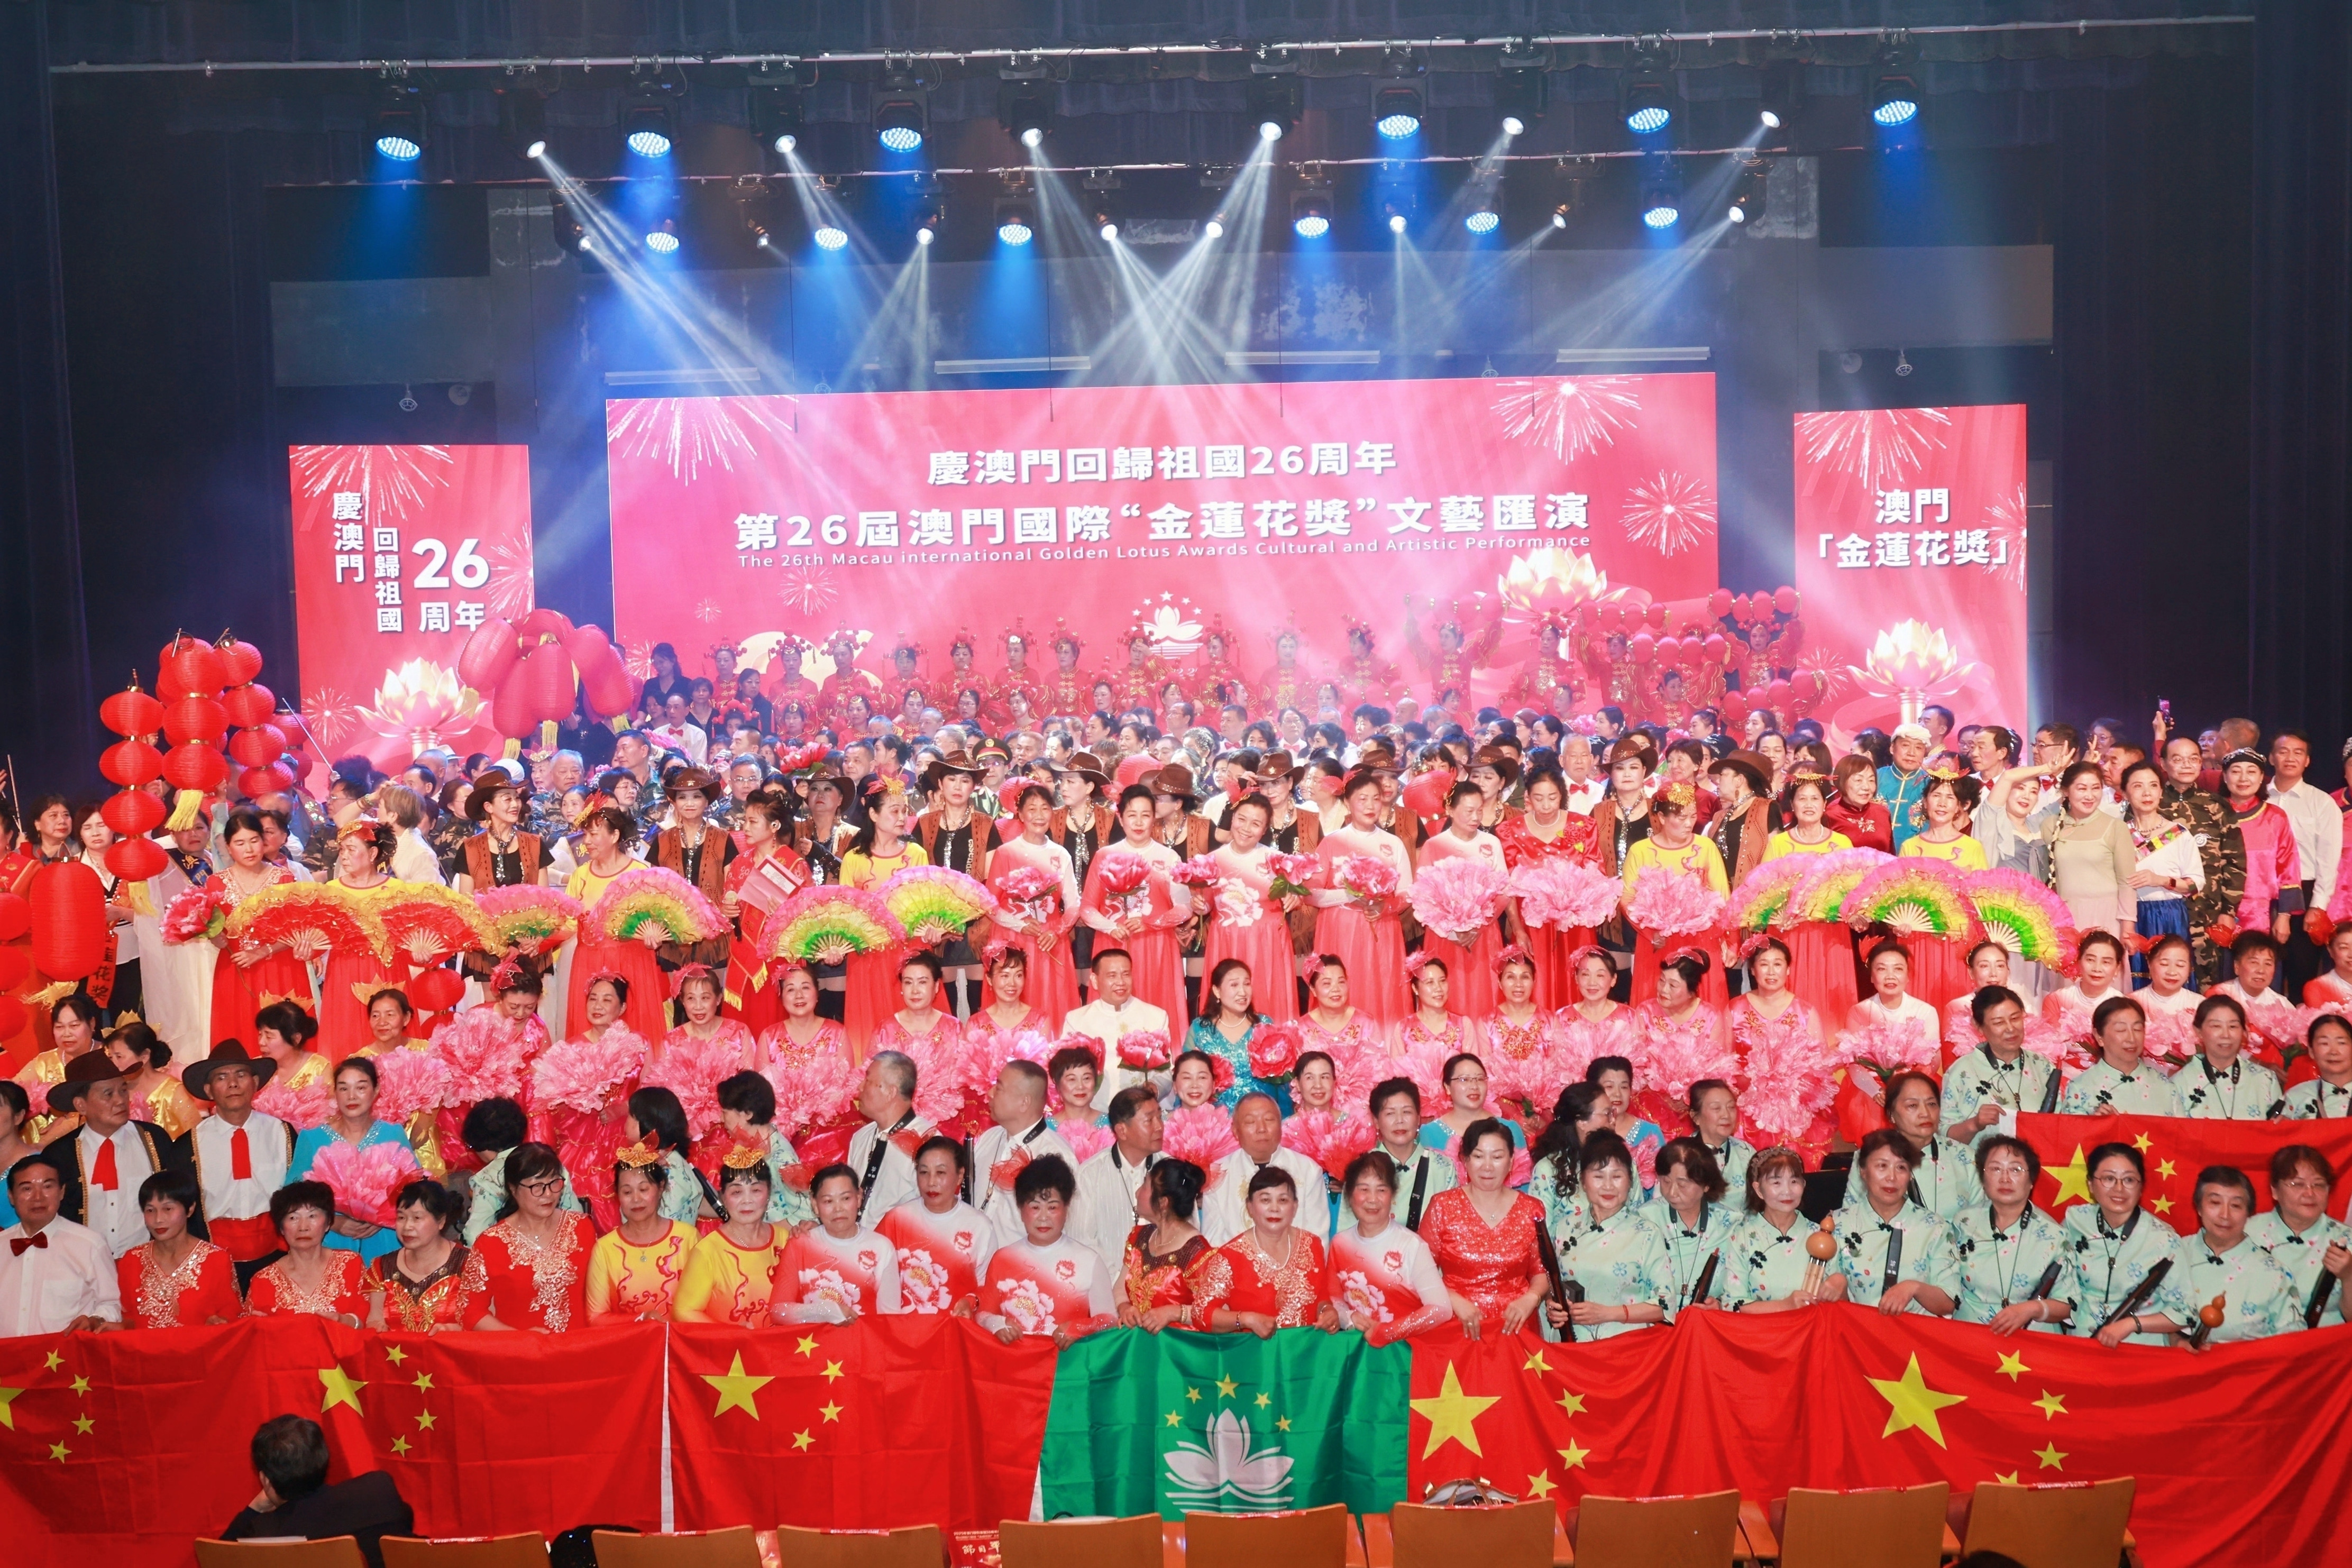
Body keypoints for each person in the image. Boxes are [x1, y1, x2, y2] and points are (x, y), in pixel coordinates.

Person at [48, 1049, 192, 1259]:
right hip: (83, 1266)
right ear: (81, 1105)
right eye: (108, 1094)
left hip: (146, 1264)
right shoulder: (60, 1155)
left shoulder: (154, 1139)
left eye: (123, 1091)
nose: (120, 1101)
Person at [218, 1416, 414, 1568]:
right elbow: (404, 1520)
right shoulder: (378, 1489)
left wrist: (255, 1508)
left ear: (266, 1480)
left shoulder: (265, 1534)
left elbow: (217, 1559)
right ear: (324, 1458)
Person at [1420, 1117, 1550, 1339]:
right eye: (1478, 1156)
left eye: (1497, 1157)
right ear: (1465, 1160)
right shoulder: (1442, 1206)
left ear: (1511, 1161)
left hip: (1516, 1327)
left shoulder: (1532, 1209)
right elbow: (1420, 1271)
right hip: (1457, 1325)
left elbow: (1542, 1270)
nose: (1487, 1167)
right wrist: (1452, 1300)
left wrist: (1532, 1298)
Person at [180, 1041, 296, 1282]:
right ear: (209, 1091)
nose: (233, 1084)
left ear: (255, 1083)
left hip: (278, 1258)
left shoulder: (282, 1133)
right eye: (222, 1077)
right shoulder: (189, 1144)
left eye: (241, 1075)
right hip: (212, 1262)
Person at [1310, 770, 1414, 1027]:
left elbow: (1407, 892)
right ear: (1347, 802)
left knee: (1382, 989)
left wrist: (1385, 906)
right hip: (1340, 931)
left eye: (1376, 799)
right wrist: (1348, 895)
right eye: (1362, 799)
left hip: (1382, 928)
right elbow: (1310, 893)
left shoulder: (1393, 843)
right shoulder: (1332, 842)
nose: (1371, 806)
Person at [289, 1055, 416, 1266]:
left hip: (386, 1240)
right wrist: (334, 1222)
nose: (351, 1096)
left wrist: (387, 1217)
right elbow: (292, 1197)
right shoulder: (311, 1138)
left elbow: (414, 1188)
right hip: (330, 1242)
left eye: (361, 1088)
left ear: (376, 1091)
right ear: (335, 1093)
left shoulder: (393, 1133)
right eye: (344, 1088)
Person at [975, 1154, 1118, 1343]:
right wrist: (996, 1323)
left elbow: (1110, 1320)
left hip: (1066, 1360)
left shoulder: (1090, 1261)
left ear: (1066, 1209)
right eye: (1035, 1208)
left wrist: (1081, 1328)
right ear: (1021, 1210)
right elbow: (982, 1314)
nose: (1044, 1217)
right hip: (1012, 1359)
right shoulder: (1003, 1259)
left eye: (1052, 1208)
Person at [207, 806, 316, 1048]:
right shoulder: (215, 883)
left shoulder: (284, 879)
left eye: (254, 840)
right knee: (239, 1034)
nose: (249, 849)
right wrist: (214, 937)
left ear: (264, 841)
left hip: (280, 966)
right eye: (240, 843)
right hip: (236, 968)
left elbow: (297, 930)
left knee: (283, 1034)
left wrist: (262, 951)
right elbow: (210, 925)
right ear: (228, 847)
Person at [458, 1141, 597, 1331]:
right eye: (537, 1186)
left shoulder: (581, 1227)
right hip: (521, 1347)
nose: (548, 1194)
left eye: (554, 1183)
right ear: (513, 1189)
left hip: (579, 1344)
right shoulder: (490, 1243)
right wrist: (521, 1338)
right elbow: (469, 1311)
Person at [1554, 1129, 1677, 1339]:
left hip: (1625, 1347)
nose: (1608, 1186)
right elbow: (1553, 1287)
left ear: (1630, 1181)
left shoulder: (1646, 1233)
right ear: (1583, 1181)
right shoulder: (1565, 1227)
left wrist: (1608, 1314)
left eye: (1617, 1176)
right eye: (1598, 1176)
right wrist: (1554, 1308)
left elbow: (1665, 1306)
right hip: (1571, 1346)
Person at [2063, 1142, 2189, 1346]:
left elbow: (2185, 1312)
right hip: (2081, 1346)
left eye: (2129, 1180)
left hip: (2139, 1349)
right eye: (2109, 1179)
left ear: (2141, 1187)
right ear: (2091, 1185)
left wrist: (2132, 1324)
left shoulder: (2164, 1239)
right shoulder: (2075, 1220)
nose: (2119, 1189)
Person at [565, 805, 671, 1044]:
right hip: (588, 964)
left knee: (636, 1029)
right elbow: (568, 925)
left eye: (594, 834)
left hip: (633, 963)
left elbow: (657, 921)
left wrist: (653, 938)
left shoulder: (641, 873)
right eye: (585, 834)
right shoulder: (580, 876)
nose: (587, 841)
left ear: (614, 836)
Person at [1949, 1135, 2073, 1335]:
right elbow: (1946, 1286)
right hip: (1971, 1336)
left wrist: (2033, 1309)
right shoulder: (1963, 1223)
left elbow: (2069, 1304)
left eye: (2016, 1170)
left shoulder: (2055, 1235)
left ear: (2032, 1180)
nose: (2005, 1178)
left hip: (2032, 1338)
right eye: (1995, 1169)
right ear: (1983, 1180)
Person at [1193, 1166, 1339, 1335]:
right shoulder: (1230, 1256)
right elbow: (1201, 1314)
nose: (1274, 1208)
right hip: (1255, 1350)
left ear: (1295, 1207)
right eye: (1265, 1200)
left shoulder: (1312, 1244)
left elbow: (1321, 1297)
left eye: (1283, 1200)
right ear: (1250, 1207)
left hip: (1305, 1348)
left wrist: (1328, 1311)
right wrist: (1245, 1319)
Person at [1198, 792, 1304, 1025]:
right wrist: (1199, 905)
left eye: (1256, 824)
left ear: (1265, 829)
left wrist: (1295, 897)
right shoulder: (1212, 861)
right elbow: (1206, 906)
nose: (1246, 829)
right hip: (1226, 943)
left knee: (1268, 1002)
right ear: (1232, 818)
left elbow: (1296, 895)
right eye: (1241, 819)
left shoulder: (1277, 861)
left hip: (1267, 945)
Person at [1328, 1151, 1453, 1343]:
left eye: (1381, 1190)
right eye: (1364, 1189)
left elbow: (1441, 1308)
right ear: (1350, 1195)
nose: (1373, 1199)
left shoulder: (1412, 1245)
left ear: (1392, 1195)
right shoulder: (1340, 1244)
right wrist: (1349, 1318)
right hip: (1356, 1350)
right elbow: (1333, 1298)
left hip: (1405, 1350)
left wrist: (1390, 1332)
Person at [1831, 1129, 1960, 1315]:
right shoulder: (1838, 1224)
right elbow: (1829, 1304)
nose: (1892, 1177)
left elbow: (1949, 1302)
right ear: (1863, 1171)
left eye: (1901, 1168)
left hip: (1915, 1332)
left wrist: (1914, 1288)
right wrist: (1839, 1285)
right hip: (1857, 1330)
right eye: (1882, 1166)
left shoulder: (1934, 1228)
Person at [719, 787, 810, 1039]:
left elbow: (808, 921)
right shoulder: (739, 863)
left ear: (775, 826)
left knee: (774, 1030)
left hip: (778, 959)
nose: (745, 827)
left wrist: (785, 915)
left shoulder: (794, 865)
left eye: (753, 822)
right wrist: (727, 911)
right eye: (745, 821)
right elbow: (729, 913)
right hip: (742, 957)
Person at [2177, 1164, 2303, 1342]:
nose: (2225, 1215)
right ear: (2199, 1207)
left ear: (2248, 1214)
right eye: (2215, 1203)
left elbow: (2293, 1342)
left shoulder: (2274, 1273)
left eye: (2236, 1206)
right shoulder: (2175, 1253)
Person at [768, 1163, 904, 1322]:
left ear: (859, 1198)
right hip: (812, 1338)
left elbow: (890, 1319)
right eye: (828, 1201)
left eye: (846, 1198)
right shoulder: (801, 1244)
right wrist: (824, 1312)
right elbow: (778, 1311)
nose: (838, 1209)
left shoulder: (881, 1248)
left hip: (865, 1338)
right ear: (815, 1205)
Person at [0, 1151, 119, 1334]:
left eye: (47, 1187)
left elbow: (111, 1304)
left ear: (62, 1192)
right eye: (27, 1189)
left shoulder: (90, 1244)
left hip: (63, 1351)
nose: (38, 1197)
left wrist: (95, 1320)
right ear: (11, 1196)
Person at [877, 1136, 995, 1315]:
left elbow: (988, 1288)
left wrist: (971, 1302)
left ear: (960, 1176)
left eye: (941, 1173)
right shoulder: (897, 1219)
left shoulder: (980, 1227)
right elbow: (871, 1274)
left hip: (953, 1326)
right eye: (924, 1172)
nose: (931, 1182)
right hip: (901, 1327)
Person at [1842, 1070, 1982, 1218]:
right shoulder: (1870, 1157)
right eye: (1913, 1105)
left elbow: (1981, 1218)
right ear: (1891, 1115)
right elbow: (1851, 1217)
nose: (1925, 1113)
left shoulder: (1965, 1157)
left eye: (1932, 1104)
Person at [672, 1144, 786, 1325]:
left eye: (756, 1190)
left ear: (768, 1193)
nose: (747, 1200)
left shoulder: (786, 1240)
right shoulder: (707, 1251)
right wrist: (730, 1334)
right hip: (730, 1344)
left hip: (781, 1342)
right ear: (723, 1197)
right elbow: (684, 1311)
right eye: (737, 1192)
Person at [584, 1143, 697, 1324]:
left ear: (661, 1188)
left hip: (680, 1341)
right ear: (618, 1195)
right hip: (629, 1342)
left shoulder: (687, 1238)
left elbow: (703, 1307)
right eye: (627, 1192)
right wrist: (640, 1319)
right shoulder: (605, 1249)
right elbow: (596, 1317)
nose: (636, 1199)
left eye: (644, 1190)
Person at [970, 1060, 1080, 1244]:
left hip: (1025, 1261)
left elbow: (1069, 1230)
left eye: (999, 1088)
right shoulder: (989, 1138)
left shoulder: (1057, 1155)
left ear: (1024, 1102)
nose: (990, 1093)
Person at [1201, 1092, 1331, 1245]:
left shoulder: (1308, 1170)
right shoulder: (1217, 1174)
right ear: (1235, 1131)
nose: (1261, 1129)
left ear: (1281, 1126)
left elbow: (1318, 1239)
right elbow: (1212, 1241)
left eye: (1269, 1120)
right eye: (1250, 1122)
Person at [116, 1167, 237, 1327]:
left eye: (168, 1209)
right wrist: (121, 1326)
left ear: (190, 1209)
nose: (158, 1219)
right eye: (150, 1210)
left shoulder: (216, 1259)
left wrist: (219, 1323)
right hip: (144, 1345)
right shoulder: (132, 1260)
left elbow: (233, 1316)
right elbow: (127, 1317)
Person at [2247, 1144, 2350, 1329]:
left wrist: (2349, 1276)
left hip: (2326, 1342)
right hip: (2260, 1341)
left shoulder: (2346, 1239)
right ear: (2275, 1191)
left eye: (2319, 1185)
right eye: (2298, 1184)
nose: (2310, 1193)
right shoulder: (2246, 1233)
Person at [1716, 1148, 1828, 1312]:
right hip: (1762, 1328)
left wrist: (1839, 1283)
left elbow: (1835, 1297)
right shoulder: (1742, 1239)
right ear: (1758, 1189)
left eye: (1794, 1181)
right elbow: (1731, 1303)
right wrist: (1785, 1305)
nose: (1787, 1191)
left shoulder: (1820, 1235)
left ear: (1803, 1185)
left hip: (1813, 1326)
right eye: (1776, 1183)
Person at [1943, 987, 2058, 1144]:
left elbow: (2060, 1123)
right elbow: (1945, 1137)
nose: (2011, 1029)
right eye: (1999, 1023)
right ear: (1978, 1026)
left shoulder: (2042, 1066)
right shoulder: (1961, 1072)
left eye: (2015, 1018)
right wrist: (1975, 1124)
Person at [243, 1180, 370, 1324]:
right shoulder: (263, 1280)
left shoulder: (350, 1263)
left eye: (312, 1216)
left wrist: (343, 1321)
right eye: (293, 1218)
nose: (303, 1227)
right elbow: (247, 1332)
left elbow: (371, 1322)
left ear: (328, 1223)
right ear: (281, 1228)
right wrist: (257, 1328)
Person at [458, 1097, 582, 1243]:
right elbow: (576, 1217)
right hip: (560, 1244)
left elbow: (475, 1236)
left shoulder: (488, 1178)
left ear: (480, 1143)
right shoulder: (550, 1163)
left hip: (510, 1252)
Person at [1070, 1085, 1166, 1271]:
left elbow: (1187, 1234)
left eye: (1160, 1117)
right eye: (1149, 1120)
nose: (1159, 1127)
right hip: (1107, 1284)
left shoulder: (1171, 1170)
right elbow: (1081, 1241)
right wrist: (1118, 1282)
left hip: (1165, 1284)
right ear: (1122, 1131)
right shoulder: (1090, 1174)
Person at [1060, 948, 1171, 1101]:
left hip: (1141, 1106)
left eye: (1126, 974)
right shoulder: (1076, 1020)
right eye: (1112, 976)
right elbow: (1066, 1072)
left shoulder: (1156, 1016)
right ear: (1095, 981)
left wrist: (1154, 1088)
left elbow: (1166, 1072)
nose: (1121, 982)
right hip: (1094, 1107)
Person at [1116, 1157, 1213, 1330]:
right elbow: (1120, 1289)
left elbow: (1215, 1311)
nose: (1137, 1193)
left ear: (1163, 1203)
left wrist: (1174, 1313)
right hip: (1138, 1342)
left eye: (1145, 1186)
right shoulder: (1139, 1237)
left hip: (1176, 1345)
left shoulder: (1197, 1253)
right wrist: (1125, 1308)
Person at [714, 1071, 816, 1230]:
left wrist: (765, 1233)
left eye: (725, 1113)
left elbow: (806, 1214)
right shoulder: (750, 1147)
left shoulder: (780, 1156)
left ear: (748, 1114)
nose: (721, 1119)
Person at [1640, 1138, 1734, 1309]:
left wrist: (1721, 1305)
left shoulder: (1731, 1224)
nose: (1672, 1193)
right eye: (1666, 1182)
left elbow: (1743, 1289)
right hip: (1654, 1320)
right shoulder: (1644, 1219)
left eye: (1683, 1185)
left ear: (1706, 1185)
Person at [1185, 958, 1289, 1111]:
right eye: (1234, 985)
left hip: (1260, 1115)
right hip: (1215, 1118)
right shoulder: (1200, 1029)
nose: (1243, 992)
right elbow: (1186, 1077)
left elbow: (1283, 1080)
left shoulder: (1265, 1026)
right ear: (1217, 991)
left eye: (1247, 984)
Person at [366, 1179, 469, 1332]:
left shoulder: (468, 1264)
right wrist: (377, 1327)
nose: (407, 1227)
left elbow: (481, 1325)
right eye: (401, 1218)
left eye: (417, 1218)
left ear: (441, 1222)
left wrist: (452, 1331)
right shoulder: (382, 1267)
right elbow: (374, 1318)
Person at [845, 1051, 931, 1224]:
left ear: (891, 1092)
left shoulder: (928, 1142)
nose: (860, 1088)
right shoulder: (861, 1138)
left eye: (868, 1080)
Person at [2059, 997, 2184, 1115]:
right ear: (2099, 1036)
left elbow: (2181, 1130)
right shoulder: (2080, 1088)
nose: (2131, 1039)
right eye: (2121, 1030)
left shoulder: (2165, 1087)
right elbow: (2073, 1131)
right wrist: (2096, 1125)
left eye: (2137, 1029)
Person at [2176, 995, 2286, 1120]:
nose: (2226, 1035)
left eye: (2233, 1027)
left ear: (2244, 1032)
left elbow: (2277, 1129)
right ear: (2198, 1031)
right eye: (2216, 1026)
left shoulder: (2266, 1079)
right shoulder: (2180, 1082)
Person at [1368, 1078, 1457, 1231]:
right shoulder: (1362, 1168)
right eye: (1390, 1113)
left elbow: (1452, 1229)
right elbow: (1347, 1233)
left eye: (1407, 1112)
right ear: (1376, 1121)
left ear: (1418, 1118)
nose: (1400, 1121)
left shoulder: (1443, 1168)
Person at [105, 1020, 202, 1139]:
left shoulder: (172, 1092)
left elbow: (197, 1138)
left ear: (145, 1056)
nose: (113, 1064)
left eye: (119, 1057)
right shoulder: (114, 1092)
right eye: (110, 1057)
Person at [2044, 930, 2131, 1039]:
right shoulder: (2056, 1000)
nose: (2097, 969)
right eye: (2091, 960)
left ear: (2118, 968)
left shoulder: (2126, 1007)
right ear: (2079, 962)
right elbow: (2050, 1043)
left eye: (2106, 962)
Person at [1686, 1079, 1756, 1198]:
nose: (1726, 1115)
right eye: (1716, 1108)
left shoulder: (1746, 1152)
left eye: (1731, 1107)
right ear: (1695, 1117)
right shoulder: (1680, 1154)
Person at [2285, 1013, 2352, 1120]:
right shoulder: (2296, 1097)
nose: (2334, 1052)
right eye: (2324, 1043)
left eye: (2341, 1043)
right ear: (2311, 1051)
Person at [1825, 756, 1894, 854]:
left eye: (1871, 780)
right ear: (1842, 781)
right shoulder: (1830, 816)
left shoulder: (1883, 813)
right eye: (1859, 780)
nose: (1866, 787)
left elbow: (1891, 854)